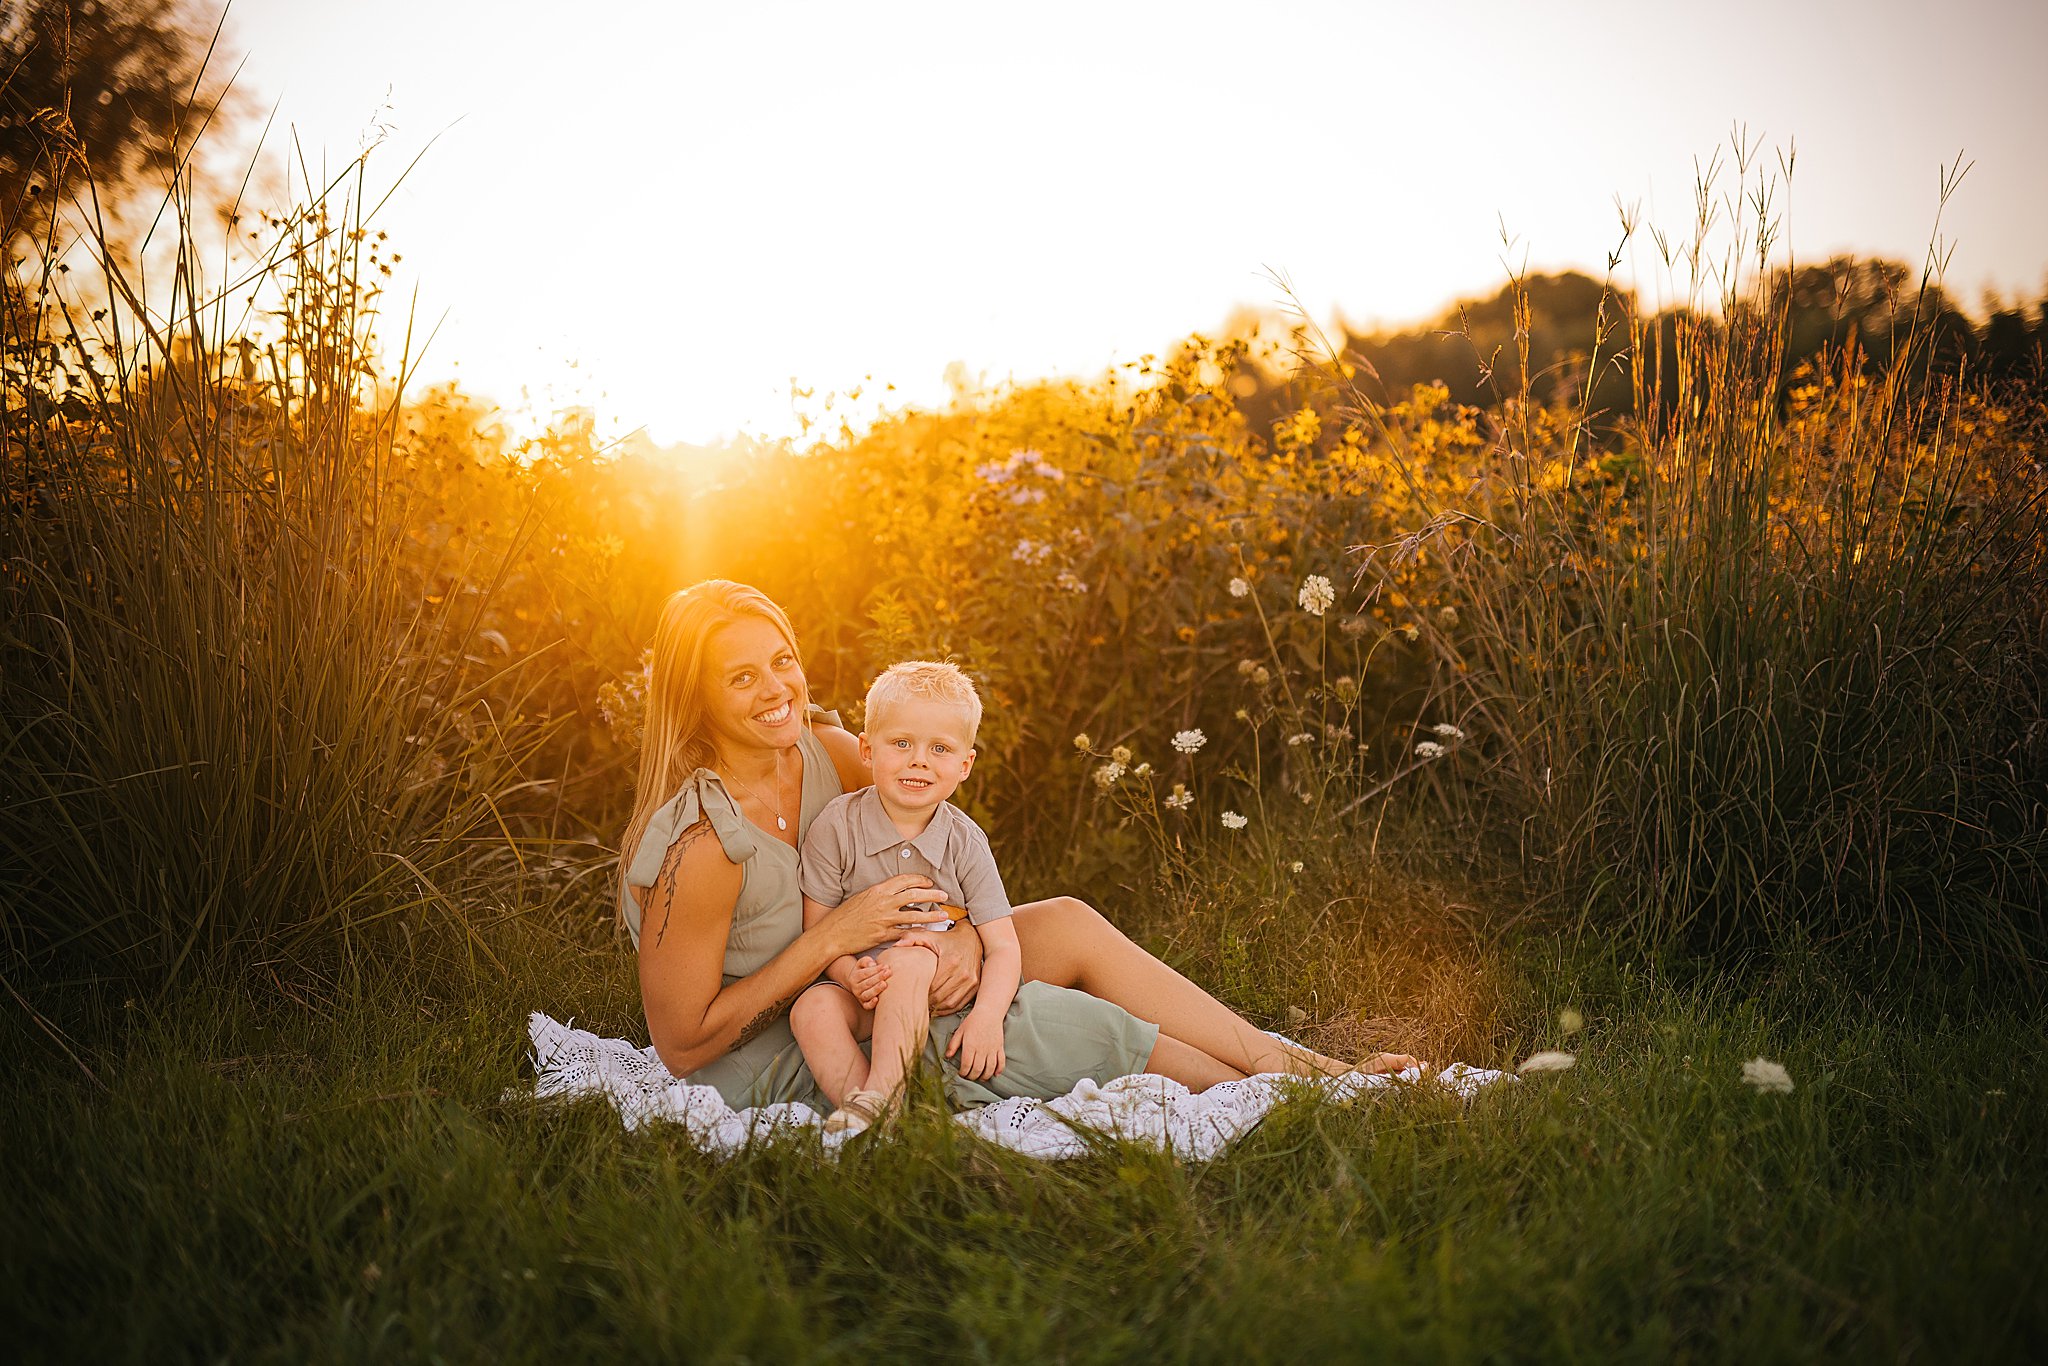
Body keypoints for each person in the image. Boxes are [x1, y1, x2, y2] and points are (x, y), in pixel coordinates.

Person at [619, 579, 1418, 1118]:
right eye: (741, 678)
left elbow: (932, 846)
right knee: (1065, 1026)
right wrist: (833, 939)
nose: (776, 689)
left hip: (890, 976)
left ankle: (1297, 1067)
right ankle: (1276, 1104)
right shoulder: (701, 845)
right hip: (787, 1045)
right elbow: (683, 1044)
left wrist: (963, 936)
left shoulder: (832, 752)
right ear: (697, 698)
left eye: (782, 660)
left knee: (1065, 922)